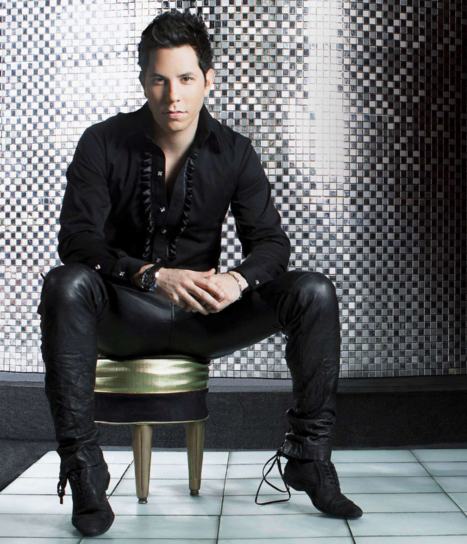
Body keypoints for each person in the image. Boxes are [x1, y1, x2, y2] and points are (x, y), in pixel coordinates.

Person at [37, 8, 363, 538]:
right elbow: (77, 242)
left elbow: (271, 244)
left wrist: (237, 280)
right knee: (64, 282)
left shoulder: (235, 151)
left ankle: (309, 455)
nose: (173, 96)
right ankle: (84, 470)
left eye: (186, 79)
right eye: (160, 80)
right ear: (143, 80)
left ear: (208, 80)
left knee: (314, 291)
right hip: (123, 314)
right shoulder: (101, 142)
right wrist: (151, 275)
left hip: (203, 319)